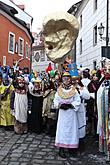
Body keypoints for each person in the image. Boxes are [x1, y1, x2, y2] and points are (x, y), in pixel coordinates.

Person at [53, 71, 81, 158]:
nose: (66, 80)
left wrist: (71, 105)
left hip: (71, 113)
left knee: (72, 131)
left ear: (70, 79)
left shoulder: (74, 90)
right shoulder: (59, 90)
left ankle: (71, 148)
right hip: (63, 114)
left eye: (68, 78)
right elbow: (55, 100)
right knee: (62, 130)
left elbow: (78, 100)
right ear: (62, 79)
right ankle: (61, 149)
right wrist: (60, 105)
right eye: (64, 78)